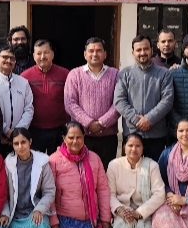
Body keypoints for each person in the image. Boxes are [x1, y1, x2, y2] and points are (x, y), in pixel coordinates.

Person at [49, 121, 111, 228]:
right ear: (64, 138)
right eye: (71, 137)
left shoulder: (94, 158)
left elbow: (103, 190)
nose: (75, 141)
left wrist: (105, 219)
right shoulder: (54, 160)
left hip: (90, 218)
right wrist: (54, 222)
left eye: (79, 137)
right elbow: (49, 193)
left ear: (84, 137)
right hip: (66, 217)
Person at [114, 35, 174, 162]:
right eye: (138, 50)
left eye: (146, 49)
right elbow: (119, 101)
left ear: (152, 50)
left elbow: (167, 101)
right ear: (133, 53)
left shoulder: (164, 73)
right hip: (131, 134)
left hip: (157, 135)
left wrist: (149, 119)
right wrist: (138, 121)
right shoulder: (124, 74)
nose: (142, 53)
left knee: (154, 171)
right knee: (130, 170)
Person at [0, 128, 55, 228]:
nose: (20, 147)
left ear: (30, 142)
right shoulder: (8, 164)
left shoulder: (42, 163)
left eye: (23, 142)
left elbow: (49, 191)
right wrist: (5, 213)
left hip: (33, 212)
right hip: (15, 214)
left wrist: (39, 210)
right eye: (16, 143)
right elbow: (3, 194)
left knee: (39, 222)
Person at [65, 37, 121, 165]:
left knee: (106, 171)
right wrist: (89, 123)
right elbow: (70, 103)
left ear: (105, 54)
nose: (95, 54)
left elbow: (119, 103)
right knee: (82, 171)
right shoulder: (75, 74)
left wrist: (102, 123)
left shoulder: (115, 74)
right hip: (82, 136)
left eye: (99, 50)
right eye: (91, 51)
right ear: (85, 54)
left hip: (108, 136)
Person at [107, 134, 166, 228]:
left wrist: (139, 213)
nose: (134, 149)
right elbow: (109, 193)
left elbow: (159, 194)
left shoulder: (151, 165)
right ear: (124, 147)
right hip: (123, 209)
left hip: (145, 210)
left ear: (143, 148)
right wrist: (119, 209)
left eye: (138, 146)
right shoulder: (114, 165)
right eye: (130, 145)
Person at [22, 39, 70, 154]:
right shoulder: (25, 76)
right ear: (34, 56)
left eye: (46, 52)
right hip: (34, 130)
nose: (42, 57)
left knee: (59, 161)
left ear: (52, 54)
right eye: (39, 53)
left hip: (59, 129)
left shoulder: (65, 74)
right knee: (37, 162)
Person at [0, 45, 34, 156]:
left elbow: (29, 108)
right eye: (5, 57)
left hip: (20, 138)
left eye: (12, 58)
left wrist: (17, 131)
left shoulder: (23, 82)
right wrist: (6, 131)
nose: (8, 61)